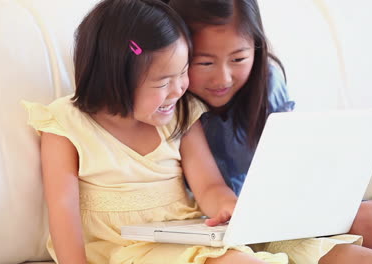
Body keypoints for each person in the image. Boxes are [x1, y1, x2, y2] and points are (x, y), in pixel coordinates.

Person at [22, 0, 291, 263]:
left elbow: (209, 186)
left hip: (184, 238)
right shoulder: (65, 125)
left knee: (319, 248)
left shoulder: (183, 116)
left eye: (183, 73)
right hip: (118, 248)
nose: (180, 90)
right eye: (163, 81)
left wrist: (228, 206)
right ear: (115, 79)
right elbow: (63, 209)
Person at [168, 0, 372, 263]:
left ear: (257, 48)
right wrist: (236, 211)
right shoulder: (177, 107)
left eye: (238, 58)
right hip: (235, 217)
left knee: (370, 223)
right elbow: (210, 188)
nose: (223, 78)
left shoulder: (266, 83)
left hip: (286, 211)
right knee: (370, 234)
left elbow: (293, 163)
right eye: (205, 63)